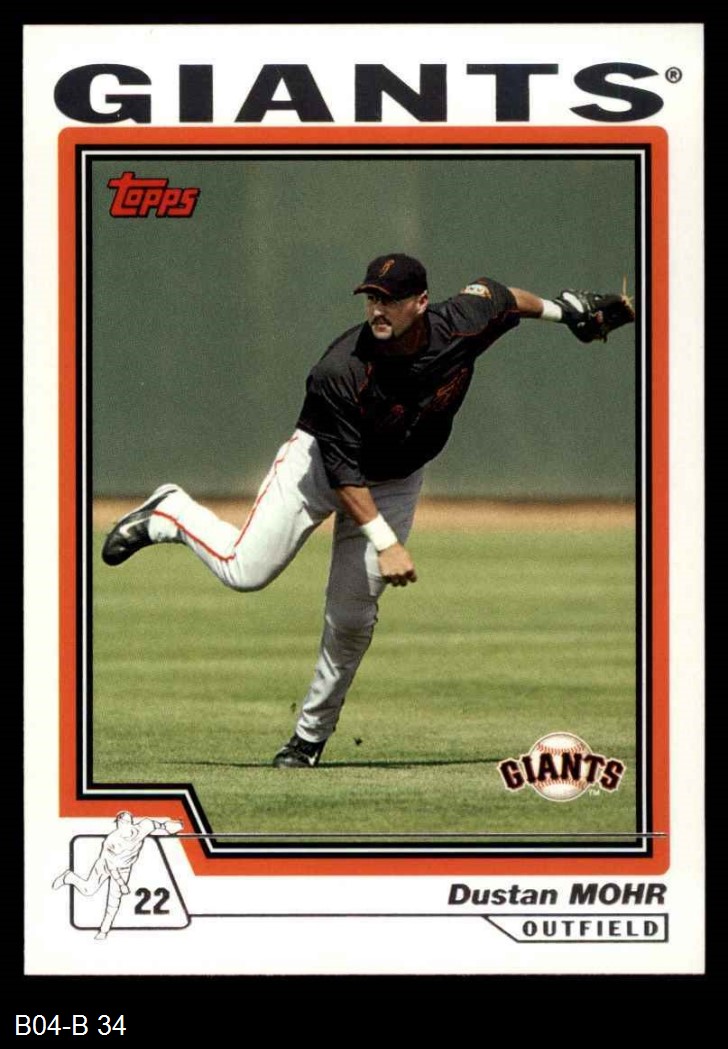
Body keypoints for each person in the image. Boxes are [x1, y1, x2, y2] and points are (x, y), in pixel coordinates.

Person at [101, 254, 633, 768]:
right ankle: (170, 511)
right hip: (318, 467)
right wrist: (387, 542)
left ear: (421, 302)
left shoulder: (465, 320)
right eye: (371, 298)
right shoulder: (340, 370)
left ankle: (308, 739)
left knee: (352, 619)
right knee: (245, 572)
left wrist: (566, 312)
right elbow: (343, 475)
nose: (378, 309)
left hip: (396, 478)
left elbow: (507, 299)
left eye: (391, 299)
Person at [52, 811, 183, 940]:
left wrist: (169, 826)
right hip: (105, 865)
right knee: (88, 890)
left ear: (129, 823)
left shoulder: (144, 826)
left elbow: (156, 825)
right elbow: (111, 867)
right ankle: (68, 877)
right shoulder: (112, 840)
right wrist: (122, 884)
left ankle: (104, 931)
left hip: (124, 869)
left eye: (123, 823)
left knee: (114, 901)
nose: (120, 826)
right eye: (119, 823)